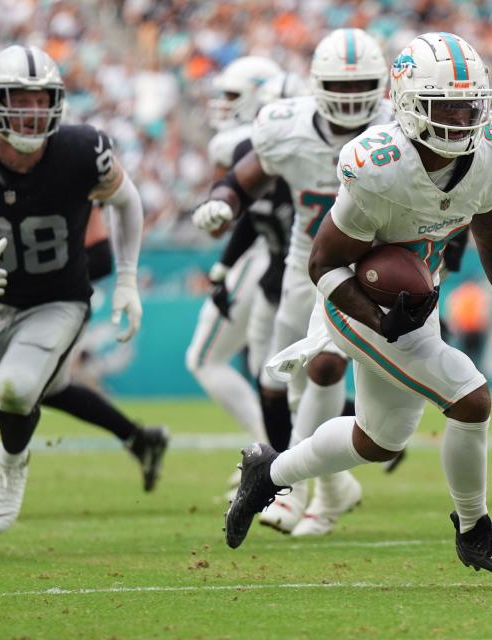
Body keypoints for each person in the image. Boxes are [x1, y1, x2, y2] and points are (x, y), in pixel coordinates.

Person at [225, 32, 492, 578]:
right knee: (470, 397)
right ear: (408, 106)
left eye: (469, 103)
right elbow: (323, 264)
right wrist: (381, 319)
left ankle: (269, 473)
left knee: (378, 441)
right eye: (445, 104)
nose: (460, 117)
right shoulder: (379, 164)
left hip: (412, 300)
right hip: (352, 301)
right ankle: (475, 529)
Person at [0, 45, 144, 554]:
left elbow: (128, 201)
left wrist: (126, 279)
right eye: (20, 99)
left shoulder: (81, 151)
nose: (33, 112)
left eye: (43, 100)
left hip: (57, 300)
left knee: (12, 391)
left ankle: (12, 463)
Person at [193, 29, 389, 536]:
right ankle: (332, 489)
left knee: (325, 367)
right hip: (306, 265)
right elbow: (243, 177)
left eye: (360, 85)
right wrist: (223, 200)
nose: (349, 98)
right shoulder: (288, 126)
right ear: (316, 86)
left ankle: (290, 489)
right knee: (279, 381)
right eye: (338, 87)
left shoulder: (401, 126)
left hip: (372, 266)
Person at [0, 206, 168, 519]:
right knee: (53, 389)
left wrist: (43, 280)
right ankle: (140, 439)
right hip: (10, 308)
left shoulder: (70, 167)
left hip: (55, 310)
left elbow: (102, 257)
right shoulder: (7, 174)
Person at [185, 56, 286, 480]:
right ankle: (277, 454)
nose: (222, 104)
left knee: (212, 359)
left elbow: (225, 221)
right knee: (271, 369)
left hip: (266, 257)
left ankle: (271, 456)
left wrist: (224, 266)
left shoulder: (240, 143)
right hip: (269, 257)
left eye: (232, 95)